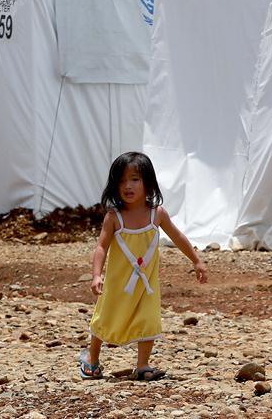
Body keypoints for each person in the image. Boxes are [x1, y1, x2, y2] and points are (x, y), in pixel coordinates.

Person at [79, 151, 207, 381]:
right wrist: (96, 275)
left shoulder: (156, 214)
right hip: (118, 283)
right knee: (105, 317)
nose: (127, 186)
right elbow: (101, 247)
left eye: (135, 179)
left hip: (146, 284)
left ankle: (142, 365)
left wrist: (196, 260)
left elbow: (177, 236)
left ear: (148, 182)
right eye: (121, 181)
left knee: (148, 319)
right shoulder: (114, 217)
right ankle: (92, 358)